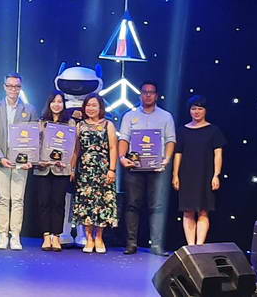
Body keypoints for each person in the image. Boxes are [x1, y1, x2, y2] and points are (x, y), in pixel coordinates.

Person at [117, 80, 177, 256]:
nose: (148, 95)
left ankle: (156, 245)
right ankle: (131, 244)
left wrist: (166, 160)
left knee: (157, 206)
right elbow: (124, 139)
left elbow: (170, 140)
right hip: (134, 167)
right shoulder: (129, 116)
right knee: (132, 205)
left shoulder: (166, 116)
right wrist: (122, 158)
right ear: (140, 94)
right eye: (145, 92)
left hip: (157, 169)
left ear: (156, 95)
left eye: (151, 92)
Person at [0, 73, 38, 250]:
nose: (13, 89)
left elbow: (33, 138)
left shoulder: (30, 110)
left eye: (16, 86)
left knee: (18, 200)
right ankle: (2, 235)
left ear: (21, 88)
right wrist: (0, 157)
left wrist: (29, 159)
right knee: (2, 199)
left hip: (21, 162)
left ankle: (15, 235)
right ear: (4, 87)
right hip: (1, 161)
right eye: (10, 86)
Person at [172, 95, 225, 246]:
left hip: (205, 175)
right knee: (188, 211)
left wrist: (216, 175)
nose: (196, 112)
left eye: (200, 108)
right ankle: (191, 247)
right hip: (186, 175)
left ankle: (199, 246)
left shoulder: (213, 130)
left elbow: (218, 154)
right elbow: (178, 154)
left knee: (203, 210)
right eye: (193, 108)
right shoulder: (182, 130)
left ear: (205, 110)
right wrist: (175, 175)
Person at [70, 93, 118, 254]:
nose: (91, 108)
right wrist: (72, 169)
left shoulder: (108, 124)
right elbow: (76, 150)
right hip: (84, 171)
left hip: (103, 170)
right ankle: (89, 238)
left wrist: (112, 169)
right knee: (86, 204)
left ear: (100, 107)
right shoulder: (80, 125)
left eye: (94, 105)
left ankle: (99, 237)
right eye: (88, 105)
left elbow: (113, 148)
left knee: (102, 204)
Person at [34, 91, 72, 252]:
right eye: (54, 101)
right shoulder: (41, 122)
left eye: (60, 102)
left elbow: (73, 146)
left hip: (61, 168)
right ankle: (46, 236)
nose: (57, 104)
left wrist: (70, 164)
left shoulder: (70, 122)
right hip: (43, 168)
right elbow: (35, 145)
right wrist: (38, 161)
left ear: (64, 104)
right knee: (43, 202)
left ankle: (56, 236)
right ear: (49, 104)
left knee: (58, 203)